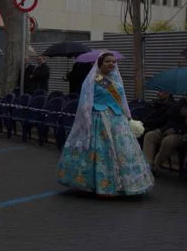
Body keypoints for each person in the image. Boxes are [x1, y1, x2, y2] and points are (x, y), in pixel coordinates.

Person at [57, 52, 154, 196]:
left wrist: (128, 117)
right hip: (99, 118)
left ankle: (125, 183)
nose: (112, 64)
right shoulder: (93, 79)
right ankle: (97, 183)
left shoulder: (115, 80)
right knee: (101, 150)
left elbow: (122, 100)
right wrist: (86, 119)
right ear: (100, 63)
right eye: (108, 61)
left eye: (114, 62)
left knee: (123, 151)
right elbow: (85, 102)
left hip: (117, 119)